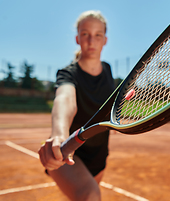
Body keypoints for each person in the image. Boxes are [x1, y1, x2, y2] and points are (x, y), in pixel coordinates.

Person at [38, 10, 115, 201]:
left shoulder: (107, 70)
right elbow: (65, 99)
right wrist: (59, 134)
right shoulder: (67, 73)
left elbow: (107, 104)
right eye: (85, 34)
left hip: (99, 152)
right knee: (90, 195)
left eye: (98, 35)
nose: (91, 41)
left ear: (105, 40)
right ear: (77, 38)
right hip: (67, 150)